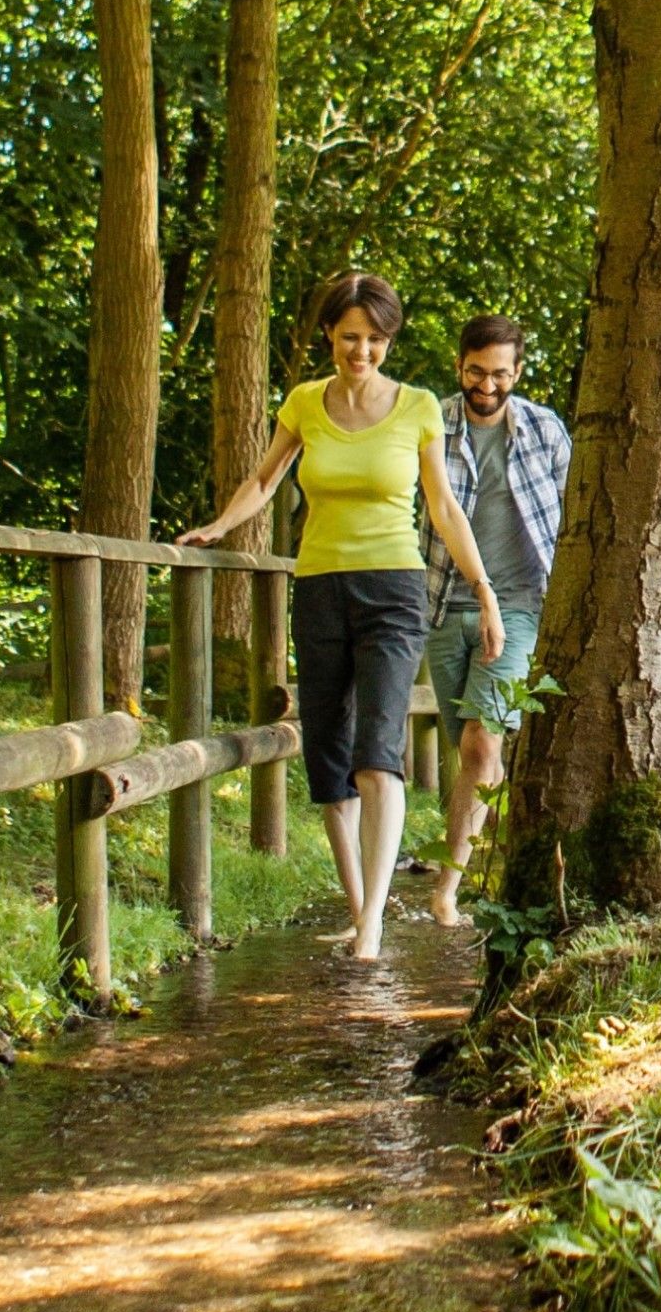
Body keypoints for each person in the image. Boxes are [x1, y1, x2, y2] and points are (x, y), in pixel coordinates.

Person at [192, 271, 498, 966]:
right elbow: (266, 480)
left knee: (377, 749)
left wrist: (480, 588)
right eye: (351, 336)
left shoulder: (418, 407)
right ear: (330, 332)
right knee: (328, 753)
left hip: (393, 589)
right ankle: (361, 909)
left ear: (389, 340)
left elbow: (444, 508)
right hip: (319, 585)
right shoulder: (304, 402)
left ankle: (375, 932)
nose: (362, 351)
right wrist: (219, 526)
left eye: (376, 339)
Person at [422, 313, 571, 926]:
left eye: (500, 374)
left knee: (483, 742)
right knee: (471, 751)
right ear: (460, 366)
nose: (488, 385)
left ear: (518, 372)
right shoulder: (429, 425)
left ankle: (447, 890)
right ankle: (499, 849)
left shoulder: (544, 430)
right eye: (477, 372)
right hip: (439, 603)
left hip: (516, 607)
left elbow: (571, 516)